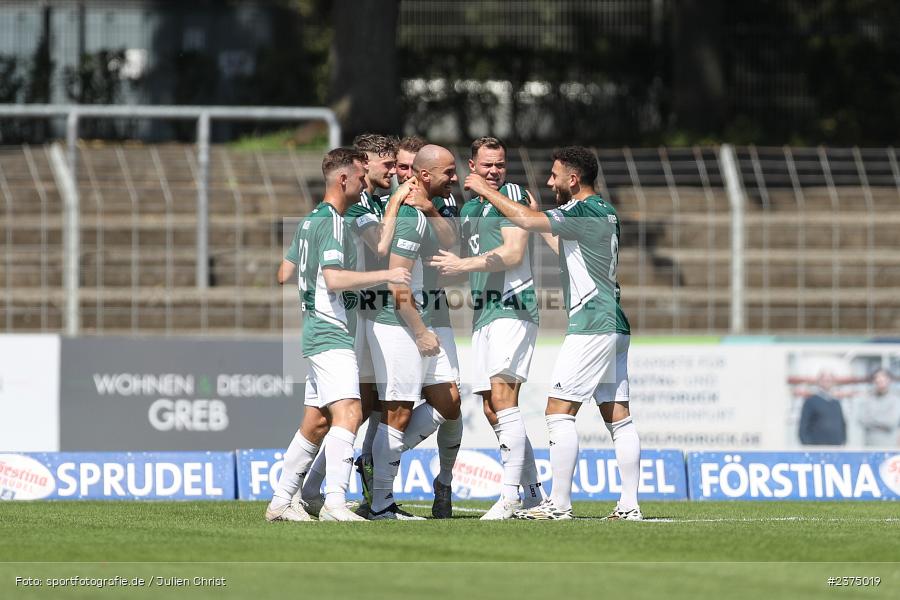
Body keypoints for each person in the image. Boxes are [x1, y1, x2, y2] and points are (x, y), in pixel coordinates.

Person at [467, 145, 641, 521]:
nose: (550, 181)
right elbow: (561, 243)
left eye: (555, 175)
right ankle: (630, 505)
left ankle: (558, 504)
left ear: (573, 179)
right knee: (619, 417)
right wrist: (531, 212)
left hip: (592, 323)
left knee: (558, 412)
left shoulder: (582, 208)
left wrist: (485, 190)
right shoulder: (605, 212)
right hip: (614, 321)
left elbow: (528, 223)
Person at [266, 147, 410, 522]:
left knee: (316, 421)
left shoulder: (310, 220)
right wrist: (386, 275)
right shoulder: (331, 222)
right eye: (360, 177)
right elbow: (332, 279)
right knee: (350, 410)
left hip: (315, 328)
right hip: (331, 331)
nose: (365, 184)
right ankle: (334, 503)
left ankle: (281, 501)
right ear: (343, 179)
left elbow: (283, 273)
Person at [427, 136, 544, 520]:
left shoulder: (510, 193)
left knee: (504, 399)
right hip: (485, 314)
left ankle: (509, 497)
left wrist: (463, 266)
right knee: (493, 408)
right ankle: (532, 495)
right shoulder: (472, 207)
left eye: (500, 164)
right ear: (471, 166)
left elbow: (512, 253)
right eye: (487, 165)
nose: (495, 171)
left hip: (513, 307)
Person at [368, 144, 462, 520]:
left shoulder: (425, 211)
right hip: (400, 325)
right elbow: (397, 283)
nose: (454, 179)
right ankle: (381, 504)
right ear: (425, 175)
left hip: (419, 321)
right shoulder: (408, 215)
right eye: (448, 173)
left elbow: (450, 241)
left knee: (449, 401)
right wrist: (421, 331)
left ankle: (371, 462)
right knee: (398, 412)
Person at [798, 370, 847, 446]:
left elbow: (842, 423)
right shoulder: (811, 401)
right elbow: (803, 426)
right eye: (824, 380)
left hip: (835, 446)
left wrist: (843, 440)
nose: (827, 382)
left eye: (829, 380)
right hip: (817, 447)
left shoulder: (836, 402)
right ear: (819, 382)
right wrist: (807, 445)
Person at [856, 369, 899, 447]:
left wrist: (872, 419)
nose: (880, 382)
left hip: (889, 447)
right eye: (877, 380)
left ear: (889, 381)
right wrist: (883, 420)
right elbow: (862, 420)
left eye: (883, 380)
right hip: (869, 446)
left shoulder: (896, 400)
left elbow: (891, 422)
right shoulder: (867, 399)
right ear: (874, 382)